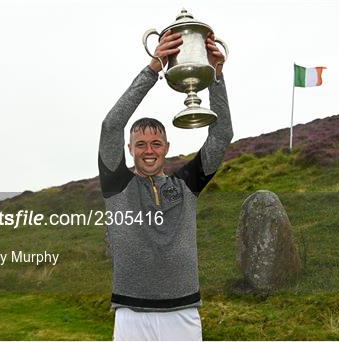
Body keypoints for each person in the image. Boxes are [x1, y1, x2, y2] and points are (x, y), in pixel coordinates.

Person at [98, 30, 233, 341]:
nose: (149, 150)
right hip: (131, 314)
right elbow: (111, 125)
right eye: (141, 144)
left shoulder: (186, 184)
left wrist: (216, 76)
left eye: (156, 143)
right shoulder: (116, 184)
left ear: (166, 147)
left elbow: (222, 134)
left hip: (183, 312)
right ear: (129, 149)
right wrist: (154, 67)